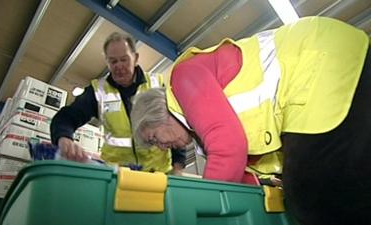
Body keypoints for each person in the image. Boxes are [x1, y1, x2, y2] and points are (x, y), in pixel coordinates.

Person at [130, 16, 371, 225]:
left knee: (311, 194)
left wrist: (197, 208)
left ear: (157, 113)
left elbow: (228, 148)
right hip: (331, 66)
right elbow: (242, 181)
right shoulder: (202, 137)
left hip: (320, 62)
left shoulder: (182, 80)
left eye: (153, 138)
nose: (160, 147)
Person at [50, 32, 186, 174]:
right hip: (115, 177)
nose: (119, 66)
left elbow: (176, 126)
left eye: (124, 59)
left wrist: (178, 165)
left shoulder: (157, 85)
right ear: (107, 62)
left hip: (157, 175)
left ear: (136, 58)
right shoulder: (98, 91)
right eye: (113, 61)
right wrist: (64, 137)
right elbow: (66, 117)